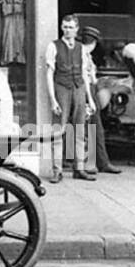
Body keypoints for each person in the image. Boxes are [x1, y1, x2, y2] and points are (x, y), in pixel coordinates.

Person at [44, 14, 96, 182]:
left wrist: (90, 99)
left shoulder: (81, 48)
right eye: (65, 27)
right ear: (61, 27)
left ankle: (79, 168)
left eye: (71, 27)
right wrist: (53, 99)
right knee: (59, 130)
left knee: (80, 130)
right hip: (62, 88)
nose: (68, 30)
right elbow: (49, 73)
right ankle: (57, 170)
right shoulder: (53, 46)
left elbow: (84, 74)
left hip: (79, 88)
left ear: (76, 29)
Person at [79, 25, 121, 174]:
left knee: (92, 128)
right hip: (86, 92)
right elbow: (85, 78)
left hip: (88, 91)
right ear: (94, 43)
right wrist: (90, 99)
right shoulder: (82, 55)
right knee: (90, 128)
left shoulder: (84, 55)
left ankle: (99, 162)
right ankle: (93, 163)